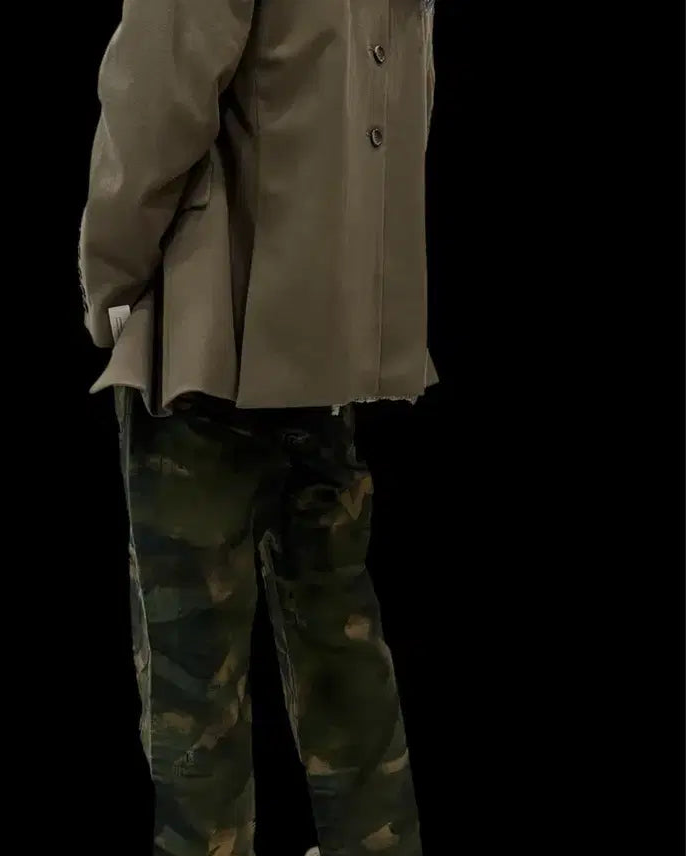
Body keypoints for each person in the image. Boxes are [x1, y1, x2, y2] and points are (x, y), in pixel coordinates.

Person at [78, 1, 438, 854]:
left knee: (192, 668)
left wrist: (109, 279)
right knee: (339, 630)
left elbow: (157, 94)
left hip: (204, 337)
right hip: (330, 328)